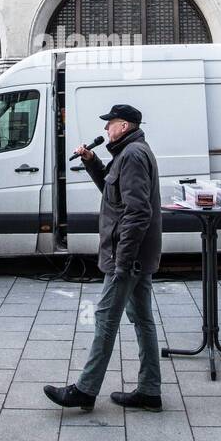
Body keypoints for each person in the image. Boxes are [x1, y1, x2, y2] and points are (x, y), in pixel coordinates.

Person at [45, 104, 163, 412]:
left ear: (123, 126)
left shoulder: (133, 155)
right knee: (142, 319)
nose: (106, 129)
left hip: (128, 256)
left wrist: (123, 261)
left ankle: (85, 389)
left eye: (110, 124)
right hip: (135, 254)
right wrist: (92, 161)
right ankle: (150, 390)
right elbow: (113, 193)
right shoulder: (129, 153)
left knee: (105, 318)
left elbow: (137, 213)